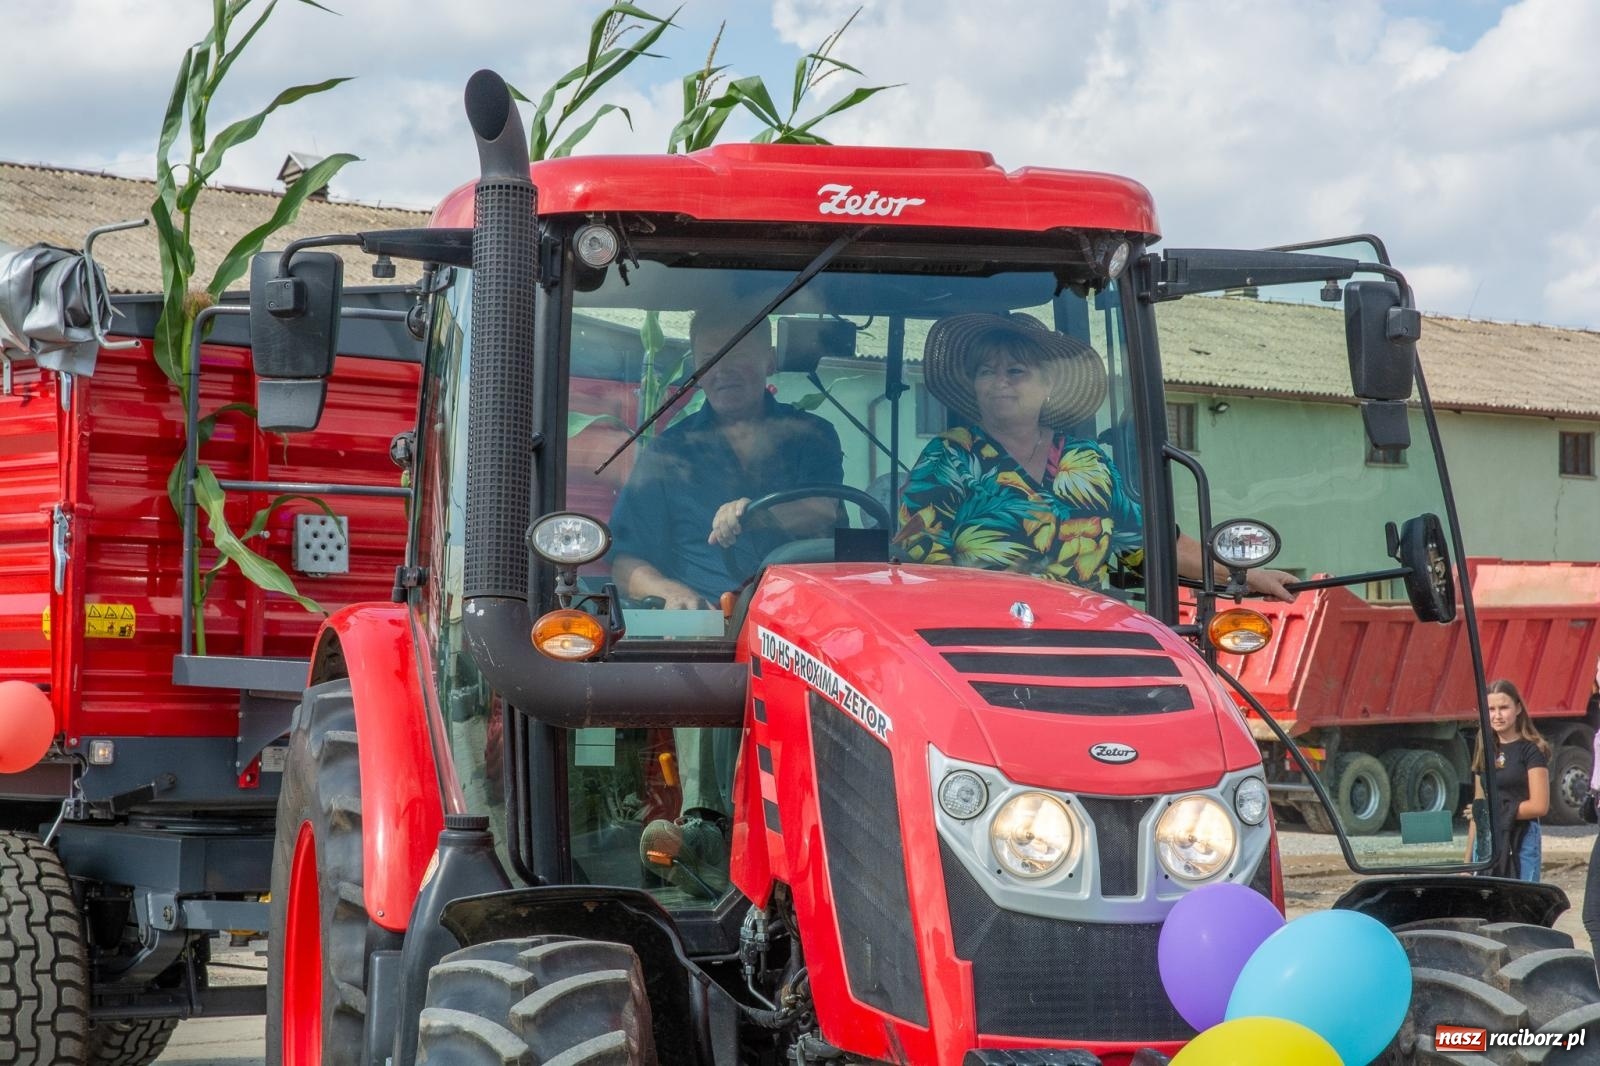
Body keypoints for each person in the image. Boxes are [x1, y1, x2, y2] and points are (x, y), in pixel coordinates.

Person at [609, 306, 843, 896]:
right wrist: (668, 591)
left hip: (800, 613)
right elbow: (627, 559)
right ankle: (708, 826)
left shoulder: (811, 434)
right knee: (714, 636)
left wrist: (755, 507)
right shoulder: (669, 450)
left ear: (768, 359)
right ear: (696, 366)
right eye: (712, 358)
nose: (725, 371)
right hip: (710, 622)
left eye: (739, 355)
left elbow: (830, 513)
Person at [897, 312, 1297, 598]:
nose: (999, 383)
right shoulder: (950, 456)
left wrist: (1247, 575)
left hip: (1082, 636)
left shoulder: (1086, 461)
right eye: (986, 371)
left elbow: (1147, 549)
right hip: (978, 641)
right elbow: (916, 561)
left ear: (1047, 383)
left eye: (1015, 371)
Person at [1463, 678, 1550, 880]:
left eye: (1504, 707)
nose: (1497, 715)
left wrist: (1492, 812)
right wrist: (1467, 862)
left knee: (1520, 901)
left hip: (1522, 838)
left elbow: (1539, 806)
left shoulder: (1532, 749)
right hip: (1486, 842)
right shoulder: (1484, 748)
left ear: (1518, 708)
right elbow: (1479, 809)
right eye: (1491, 709)